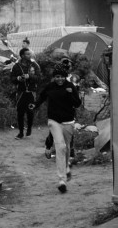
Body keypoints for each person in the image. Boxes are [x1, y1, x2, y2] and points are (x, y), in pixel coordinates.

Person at [31, 62, 81, 193]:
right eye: (57, 76)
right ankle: (61, 180)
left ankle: (66, 169)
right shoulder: (50, 87)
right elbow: (41, 98)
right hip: (54, 121)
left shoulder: (70, 86)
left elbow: (78, 103)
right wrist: (34, 105)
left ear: (65, 77)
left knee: (67, 148)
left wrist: (70, 94)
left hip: (68, 121)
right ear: (54, 77)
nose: (59, 79)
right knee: (60, 147)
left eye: (62, 77)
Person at [9, 47, 40, 139]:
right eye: (27, 54)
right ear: (22, 56)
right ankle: (21, 133)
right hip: (21, 92)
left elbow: (39, 78)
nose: (30, 55)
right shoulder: (16, 66)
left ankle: (29, 128)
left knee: (30, 111)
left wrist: (29, 76)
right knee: (20, 113)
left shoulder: (34, 65)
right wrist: (18, 78)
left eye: (30, 54)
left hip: (31, 92)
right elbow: (12, 79)